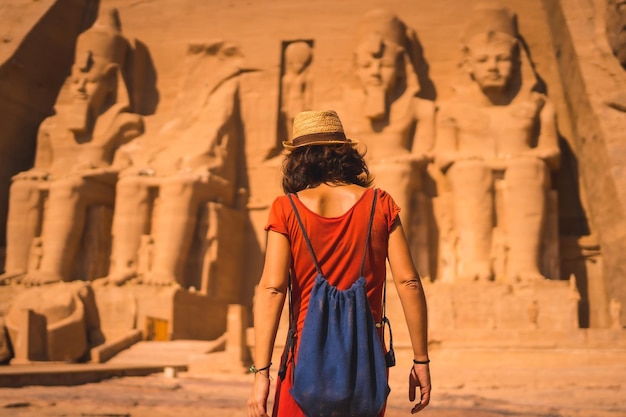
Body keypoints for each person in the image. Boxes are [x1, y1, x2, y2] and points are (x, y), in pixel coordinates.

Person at [247, 110, 431, 417]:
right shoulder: (381, 204)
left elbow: (273, 289)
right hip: (365, 361)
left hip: (303, 359)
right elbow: (408, 282)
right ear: (346, 154)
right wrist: (421, 360)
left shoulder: (286, 209)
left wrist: (261, 374)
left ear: (298, 159)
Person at [0, 8, 144, 285]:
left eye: (90, 82)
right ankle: (17, 267)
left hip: (96, 186)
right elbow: (43, 166)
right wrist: (37, 173)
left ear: (112, 82)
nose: (80, 88)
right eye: (76, 80)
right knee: (23, 188)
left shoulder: (123, 123)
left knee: (69, 188)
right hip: (66, 180)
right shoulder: (52, 126)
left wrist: (95, 171)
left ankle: (52, 270)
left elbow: (129, 171)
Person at [435, 4, 560, 283]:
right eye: (483, 60)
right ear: (468, 65)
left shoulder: (537, 104)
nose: (493, 67)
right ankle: (476, 264)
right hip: (471, 173)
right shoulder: (452, 110)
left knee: (528, 168)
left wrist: (520, 156)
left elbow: (552, 153)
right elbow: (443, 157)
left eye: (502, 59)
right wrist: (480, 159)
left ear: (517, 63)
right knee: (470, 172)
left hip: (522, 170)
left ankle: (524, 265)